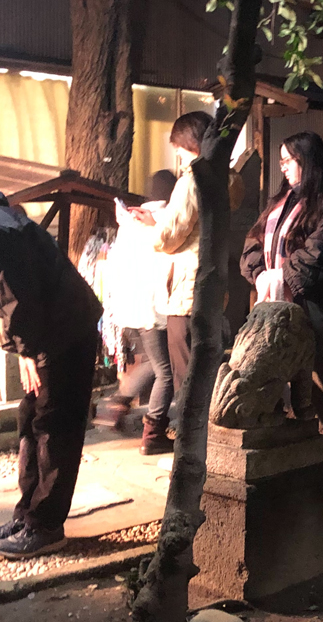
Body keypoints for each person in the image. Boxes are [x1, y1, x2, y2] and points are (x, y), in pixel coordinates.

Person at [0, 182, 102, 559]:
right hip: (46, 333)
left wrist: (27, 352)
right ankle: (26, 517)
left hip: (65, 331)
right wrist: (24, 348)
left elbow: (22, 301)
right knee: (31, 421)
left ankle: (45, 526)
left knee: (53, 426)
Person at [240, 131, 323, 465]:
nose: (283, 168)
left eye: (288, 160)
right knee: (272, 368)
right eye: (281, 161)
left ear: (307, 159)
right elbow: (255, 238)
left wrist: (283, 276)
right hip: (274, 298)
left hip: (318, 300)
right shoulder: (286, 195)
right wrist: (259, 273)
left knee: (320, 379)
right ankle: (286, 456)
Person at [122, 111, 211, 448]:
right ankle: (162, 432)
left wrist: (152, 226)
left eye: (179, 148)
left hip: (180, 293)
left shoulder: (191, 181)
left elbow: (169, 237)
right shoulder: (222, 179)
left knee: (178, 371)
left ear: (191, 143)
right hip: (196, 290)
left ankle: (183, 442)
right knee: (175, 369)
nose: (177, 155)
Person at [110, 170, 177, 455]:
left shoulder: (129, 221)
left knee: (153, 362)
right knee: (166, 371)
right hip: (155, 306)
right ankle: (153, 433)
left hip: (130, 307)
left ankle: (117, 404)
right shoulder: (164, 219)